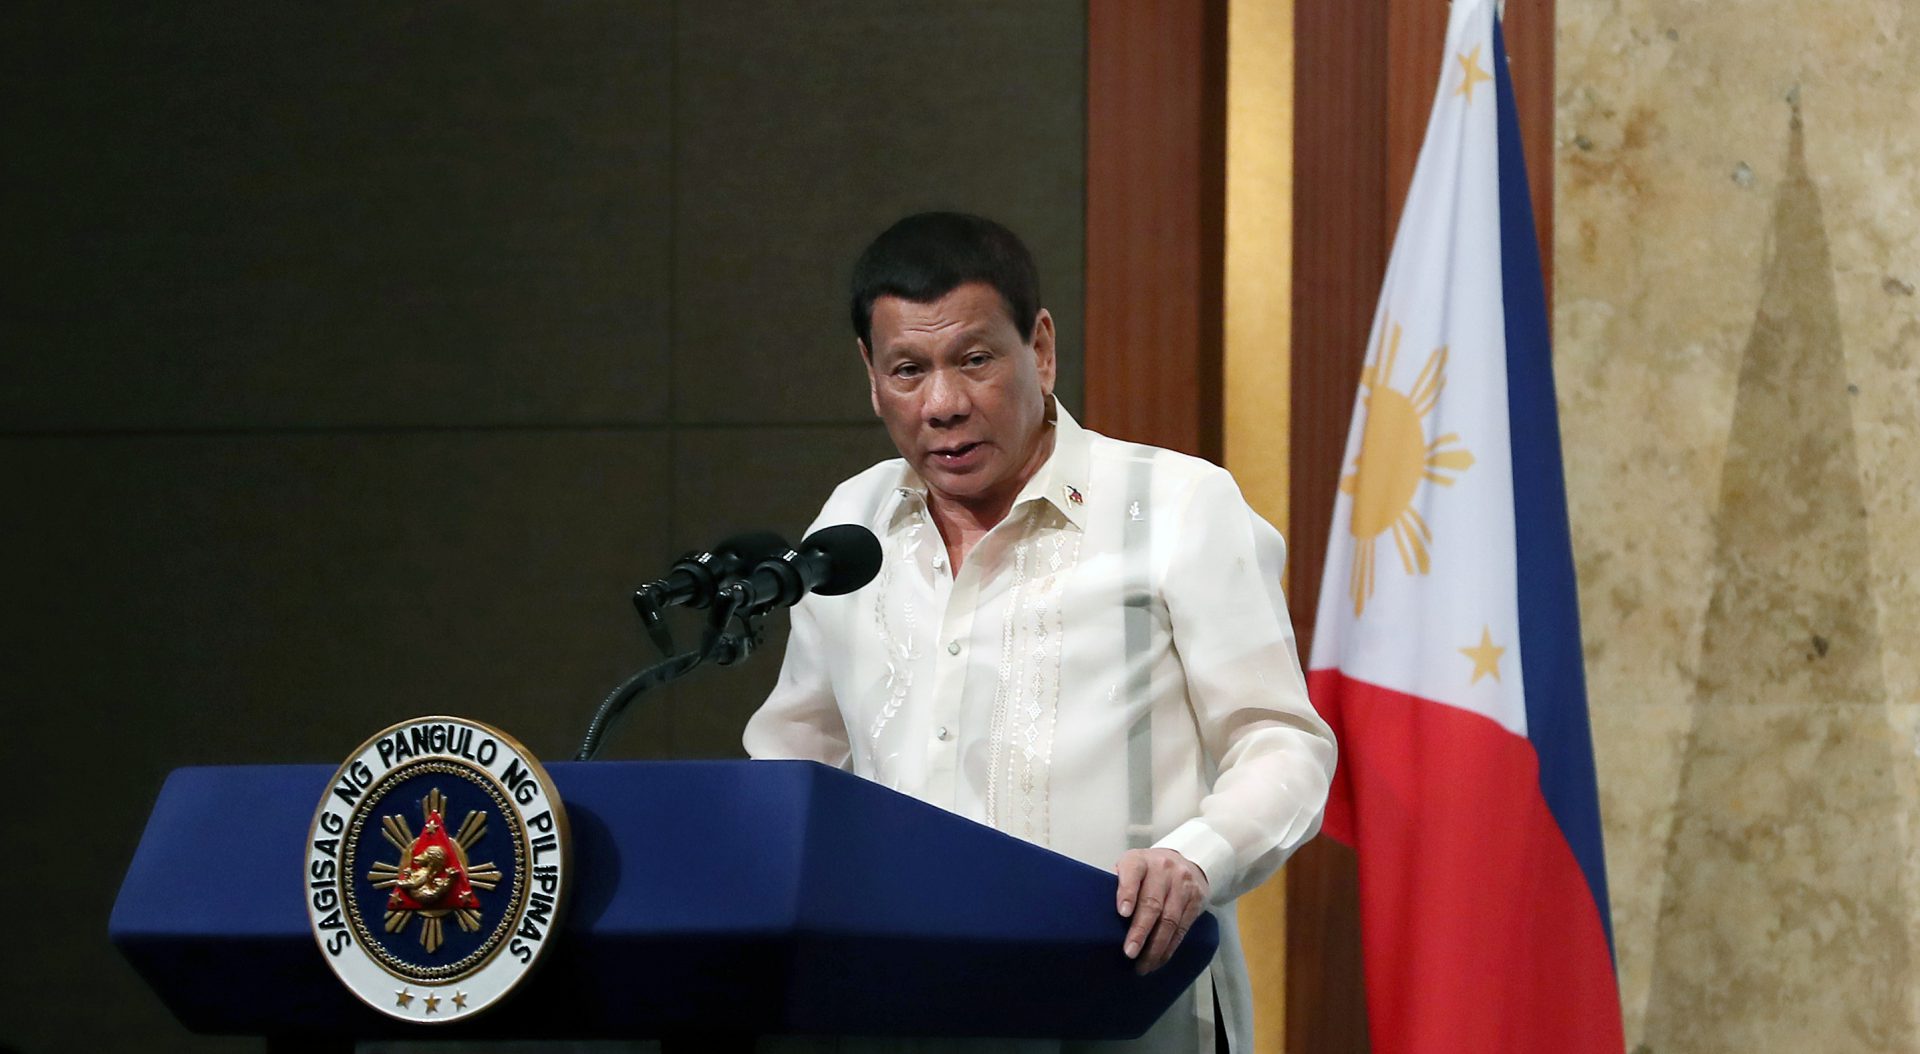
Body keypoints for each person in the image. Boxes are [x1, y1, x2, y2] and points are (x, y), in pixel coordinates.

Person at [744, 212, 1336, 1054]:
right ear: (871, 377)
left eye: (975, 360)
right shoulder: (853, 521)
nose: (944, 405)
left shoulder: (1176, 507)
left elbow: (1282, 741)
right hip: (898, 1011)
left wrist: (1196, 856)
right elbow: (798, 758)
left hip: (1124, 1005)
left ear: (1043, 348)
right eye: (908, 370)